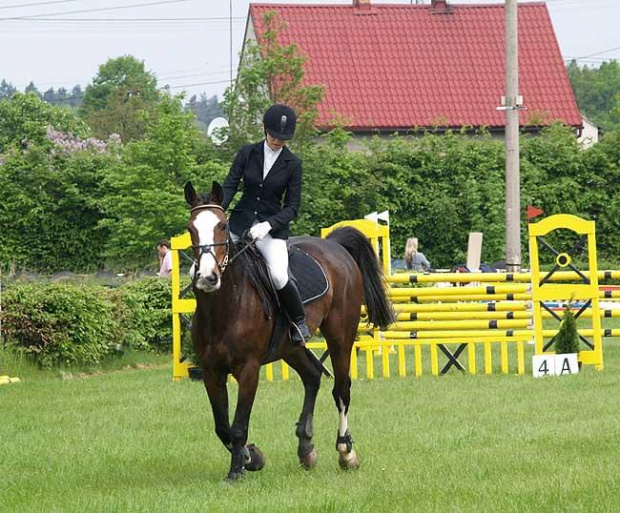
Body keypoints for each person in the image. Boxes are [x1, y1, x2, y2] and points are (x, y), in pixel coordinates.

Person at [221, 104, 311, 346]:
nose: (277, 142)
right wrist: (218, 209)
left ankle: (299, 322)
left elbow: (292, 207)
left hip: (271, 231)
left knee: (279, 275)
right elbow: (230, 185)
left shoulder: (293, 163)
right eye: (274, 136)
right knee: (209, 267)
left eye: (283, 139)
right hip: (240, 222)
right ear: (264, 129)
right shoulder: (247, 153)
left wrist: (268, 225)